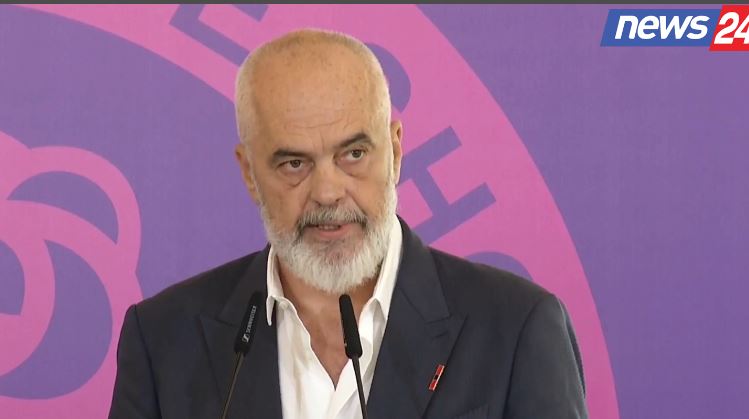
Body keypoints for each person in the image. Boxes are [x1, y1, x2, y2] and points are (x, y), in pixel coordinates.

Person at [108, 29, 588, 419]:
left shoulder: (516, 327)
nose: (328, 191)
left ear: (395, 150)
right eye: (294, 164)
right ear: (250, 173)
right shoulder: (163, 340)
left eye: (353, 154)